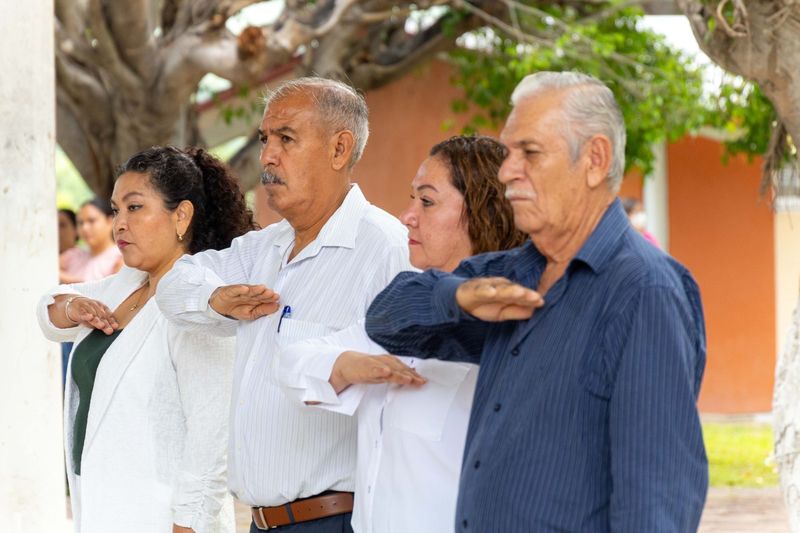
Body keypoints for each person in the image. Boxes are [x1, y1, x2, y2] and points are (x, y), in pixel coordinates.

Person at [364, 72, 709, 532]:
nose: (507, 171)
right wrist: (457, 295)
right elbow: (385, 318)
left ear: (594, 159)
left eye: (529, 152)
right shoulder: (514, 273)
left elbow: (655, 502)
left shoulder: (644, 290)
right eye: (508, 154)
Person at [156, 77, 410, 533]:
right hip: (261, 523)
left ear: (339, 149)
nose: (268, 156)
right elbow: (174, 286)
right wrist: (214, 299)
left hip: (338, 520)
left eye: (286, 139)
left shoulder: (384, 247)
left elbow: (399, 391)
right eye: (265, 139)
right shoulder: (264, 249)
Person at [276, 135, 527, 533]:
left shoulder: (514, 327)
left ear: (484, 210)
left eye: (426, 201)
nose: (407, 216)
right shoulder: (401, 310)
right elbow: (291, 362)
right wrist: (349, 365)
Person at [37, 146, 256, 533]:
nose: (119, 224)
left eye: (134, 208)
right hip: (106, 510)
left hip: (163, 519)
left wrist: (187, 526)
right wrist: (72, 306)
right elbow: (48, 313)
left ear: (181, 216)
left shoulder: (201, 303)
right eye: (116, 209)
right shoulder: (124, 286)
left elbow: (211, 442)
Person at [60, 197, 124, 284]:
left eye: (91, 221)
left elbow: (109, 291)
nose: (84, 228)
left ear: (110, 222)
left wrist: (63, 277)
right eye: (80, 223)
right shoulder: (73, 255)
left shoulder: (120, 257)